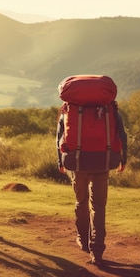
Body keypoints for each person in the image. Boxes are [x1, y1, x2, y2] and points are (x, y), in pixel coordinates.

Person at [56, 105, 128, 267]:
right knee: (98, 206)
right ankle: (97, 251)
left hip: (77, 162)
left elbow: (59, 136)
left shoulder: (69, 110)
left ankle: (83, 240)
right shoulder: (110, 111)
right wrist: (123, 159)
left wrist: (60, 161)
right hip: (103, 161)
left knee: (81, 202)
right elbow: (122, 136)